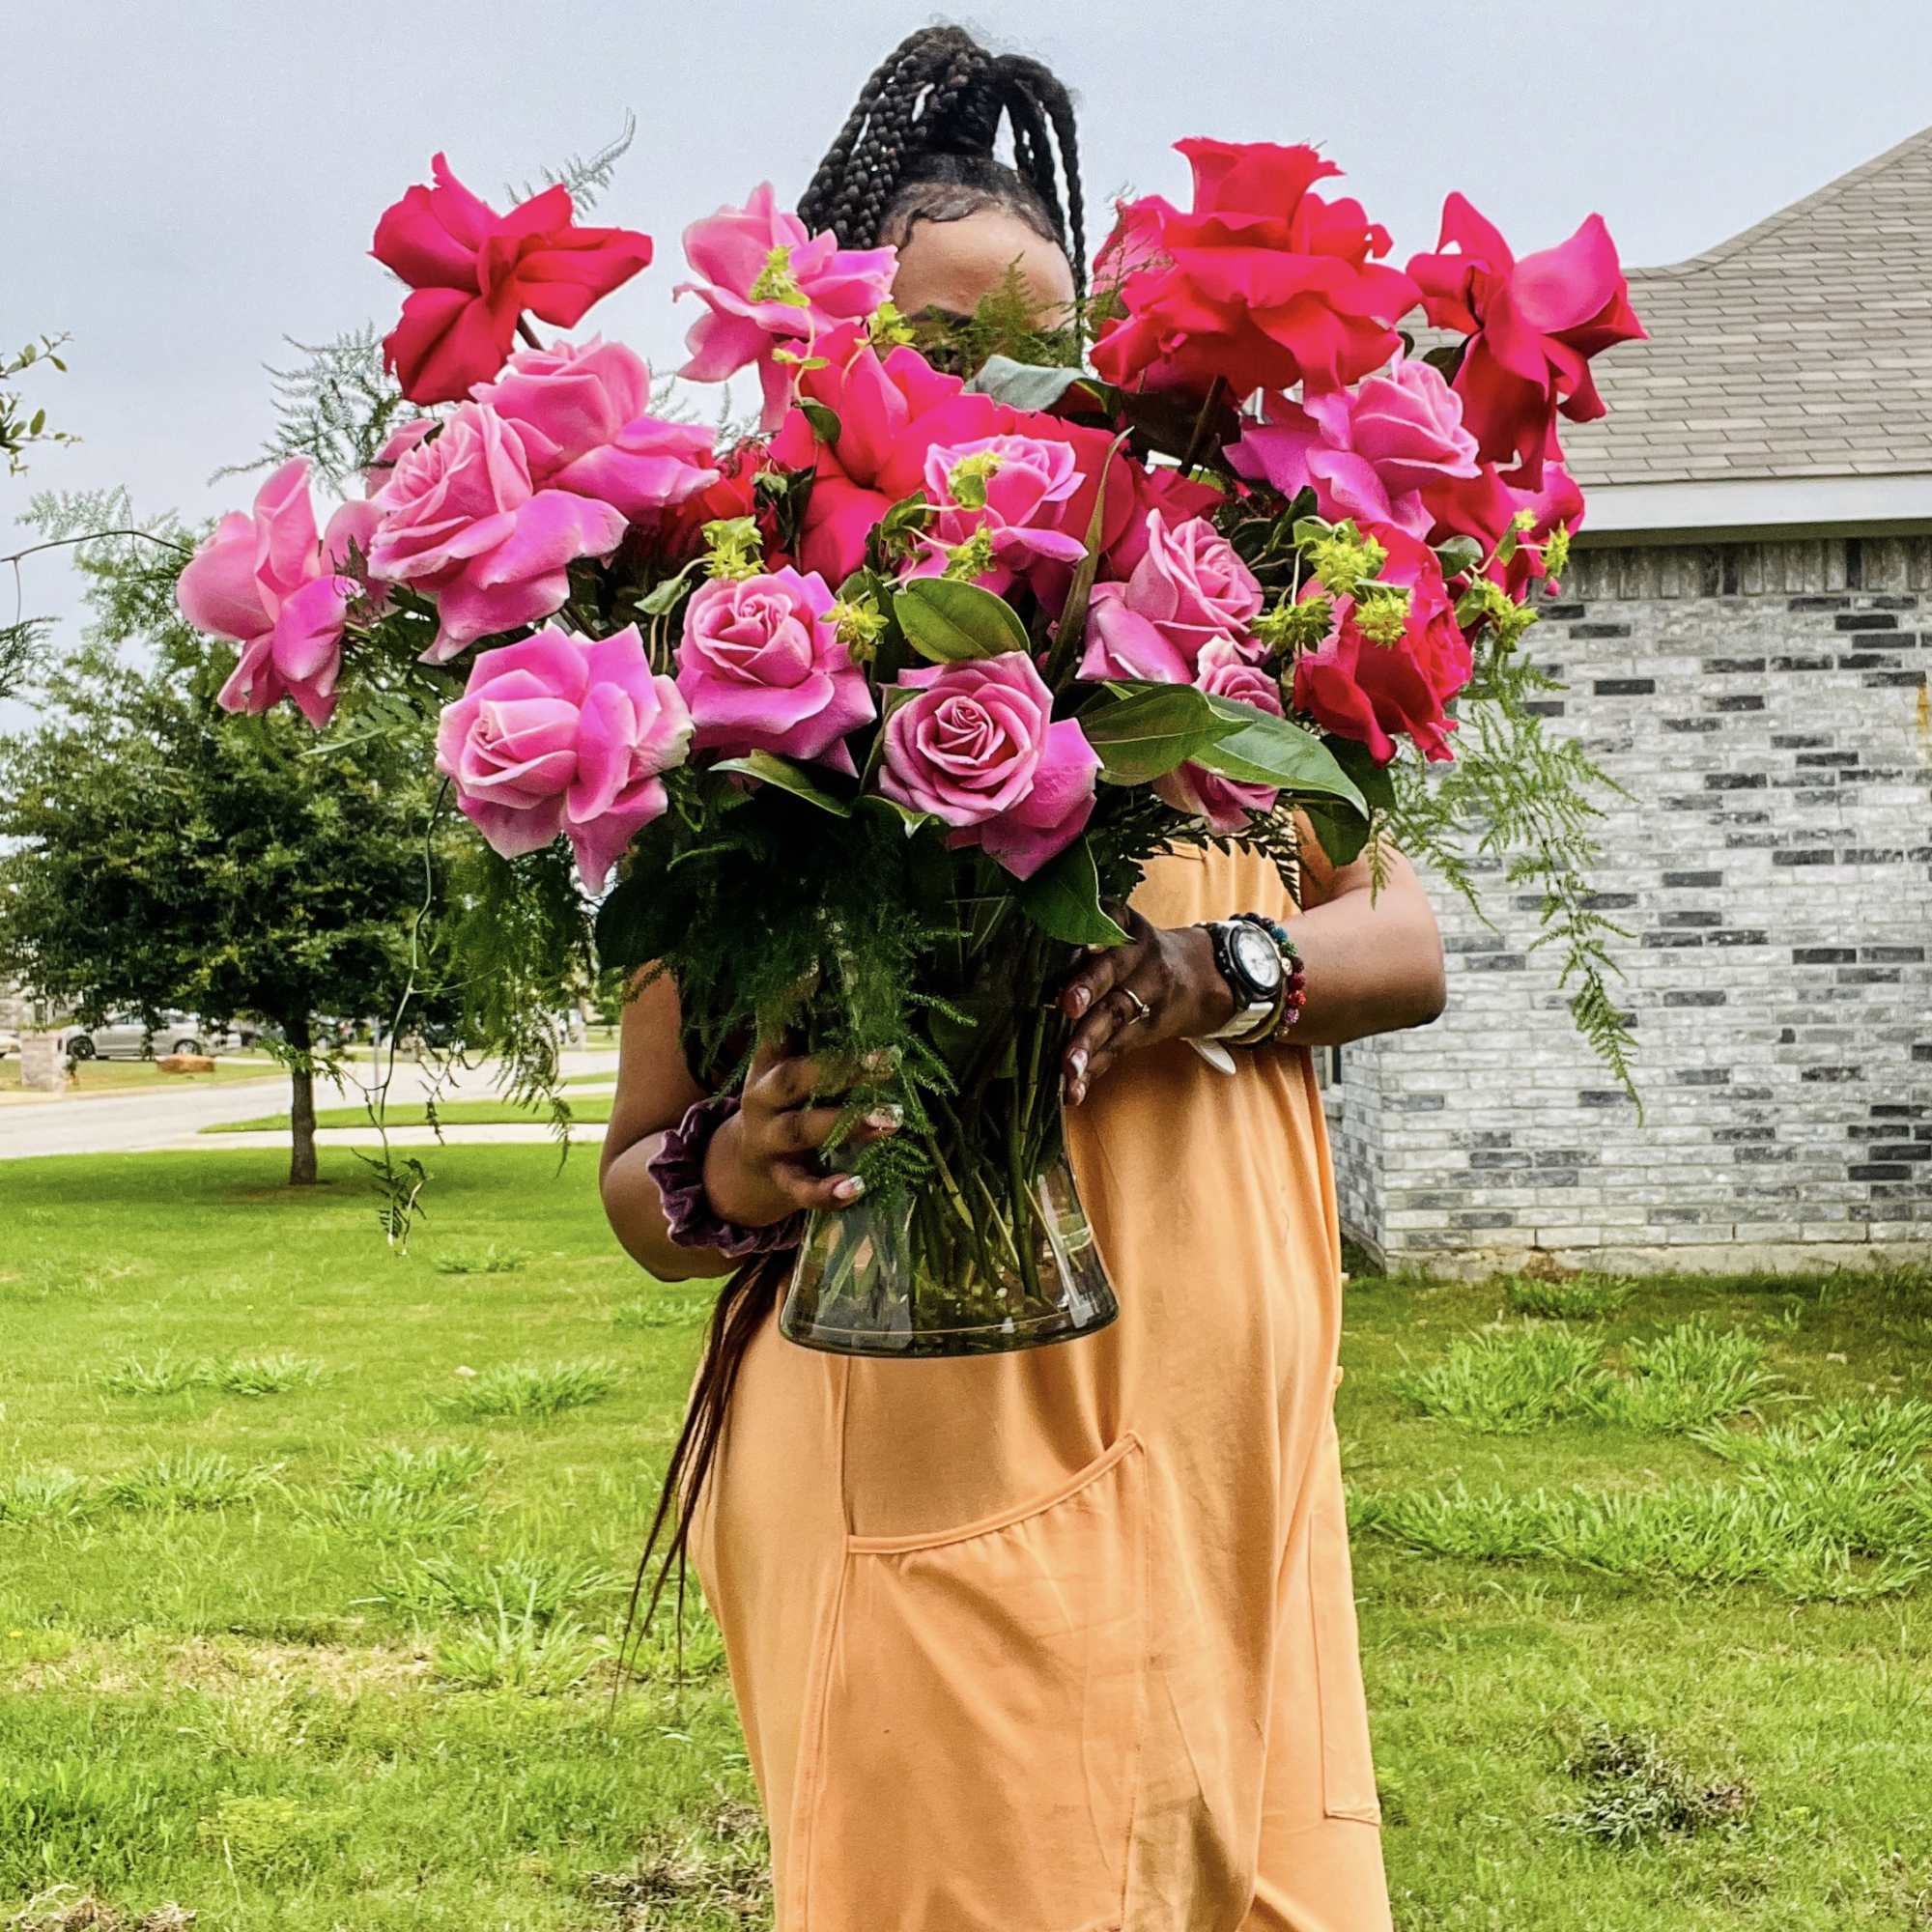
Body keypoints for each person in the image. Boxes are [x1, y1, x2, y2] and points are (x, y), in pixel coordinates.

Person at [600, 27, 1446, 1930]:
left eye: (1051, 338)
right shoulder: (741, 683)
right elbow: (643, 1166)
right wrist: (723, 1175)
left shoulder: (1214, 625)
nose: (1014, 390)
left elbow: (1398, 943)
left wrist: (1211, 967)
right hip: (942, 1452)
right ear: (836, 362)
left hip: (1233, 1471)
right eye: (948, 345)